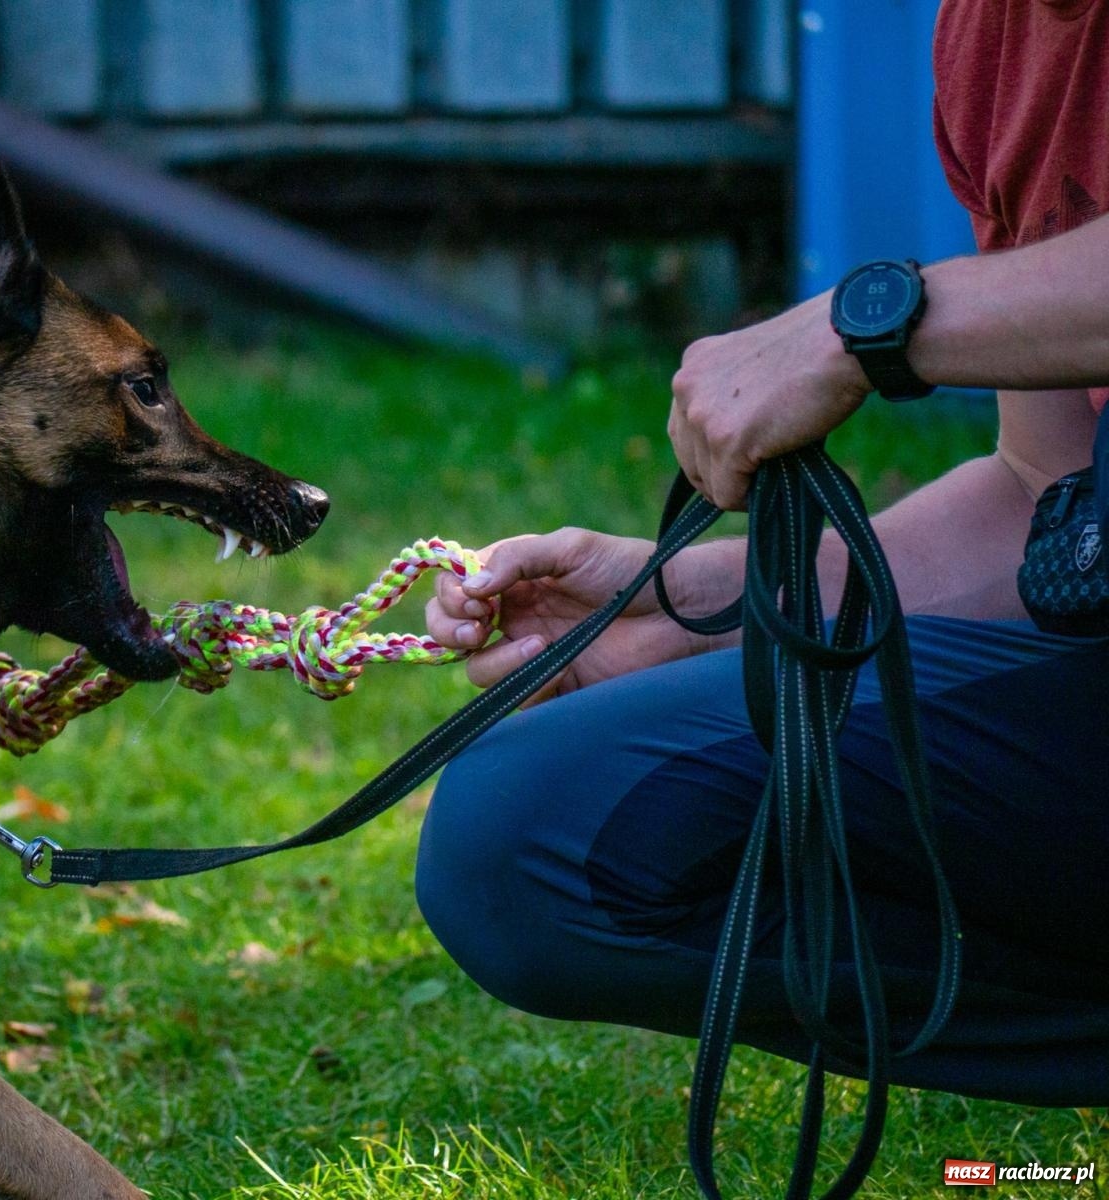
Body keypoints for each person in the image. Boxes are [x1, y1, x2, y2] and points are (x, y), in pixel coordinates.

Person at [416, 0, 1109, 1107]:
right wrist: (714, 601)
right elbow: (1047, 496)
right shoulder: (997, 37)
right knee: (531, 836)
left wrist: (872, 322)